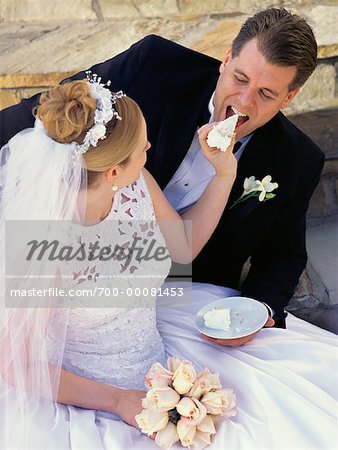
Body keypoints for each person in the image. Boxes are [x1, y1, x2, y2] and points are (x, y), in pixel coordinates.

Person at [0, 75, 336, 450]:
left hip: (159, 350)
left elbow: (181, 250)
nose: (148, 145)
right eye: (142, 145)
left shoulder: (134, 181)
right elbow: (17, 366)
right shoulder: (46, 245)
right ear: (112, 172)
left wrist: (224, 174)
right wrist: (116, 400)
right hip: (84, 392)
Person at [0, 8, 325, 335]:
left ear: (290, 96)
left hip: (193, 300)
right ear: (226, 59)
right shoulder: (155, 65)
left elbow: (283, 256)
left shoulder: (298, 159)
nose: (244, 100)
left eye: (266, 94)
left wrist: (259, 311)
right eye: (240, 78)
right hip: (84, 288)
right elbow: (57, 112)